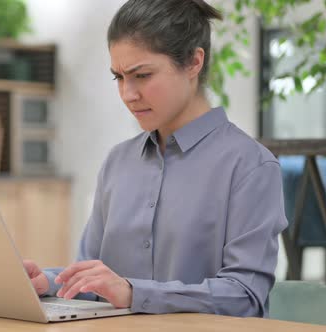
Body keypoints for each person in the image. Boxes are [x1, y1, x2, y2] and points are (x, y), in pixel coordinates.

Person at [23, 0, 288, 317]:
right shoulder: (117, 163)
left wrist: (134, 293)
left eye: (142, 75)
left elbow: (245, 297)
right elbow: (95, 277)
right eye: (118, 78)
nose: (128, 94)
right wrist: (49, 283)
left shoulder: (251, 166)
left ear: (193, 62)